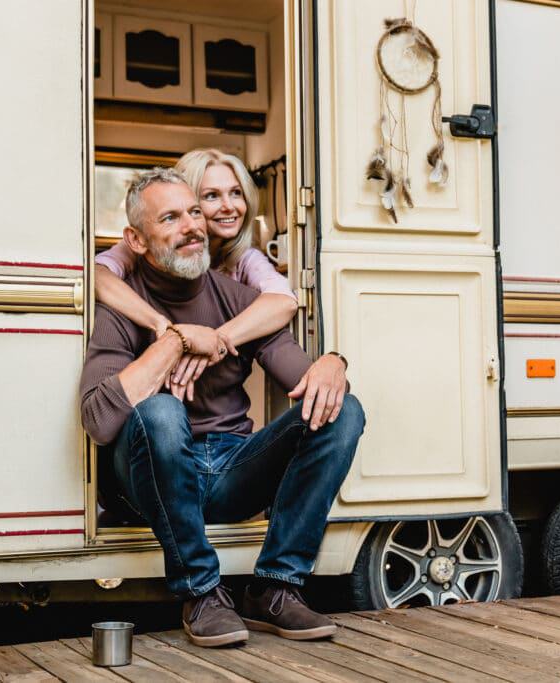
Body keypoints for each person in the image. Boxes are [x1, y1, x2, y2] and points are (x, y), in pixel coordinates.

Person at [79, 167, 365, 647]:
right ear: (137, 240)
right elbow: (100, 421)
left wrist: (334, 364)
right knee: (162, 413)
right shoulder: (121, 308)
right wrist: (173, 341)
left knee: (343, 409)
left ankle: (276, 587)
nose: (192, 225)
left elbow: (304, 380)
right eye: (170, 217)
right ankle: (202, 593)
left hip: (232, 469)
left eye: (194, 212)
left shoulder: (237, 299)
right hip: (151, 482)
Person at [95, 148, 298, 400]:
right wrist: (164, 327)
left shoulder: (244, 259)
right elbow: (97, 277)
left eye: (236, 193)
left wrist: (215, 339)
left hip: (211, 389)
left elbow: (284, 301)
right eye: (212, 196)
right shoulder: (141, 246)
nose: (229, 206)